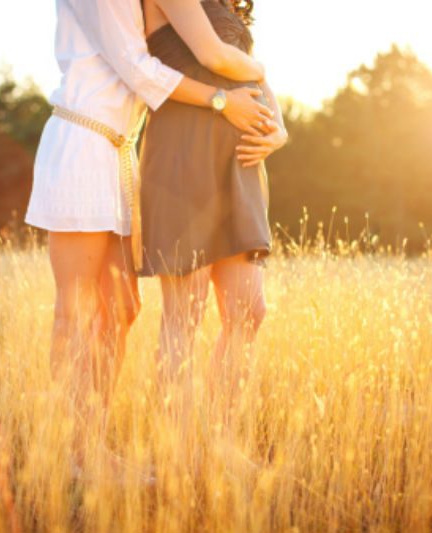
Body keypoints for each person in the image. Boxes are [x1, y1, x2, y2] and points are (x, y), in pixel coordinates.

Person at [23, 0, 274, 465]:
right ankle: (75, 455)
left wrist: (263, 108)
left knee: (122, 307)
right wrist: (224, 97)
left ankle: (95, 442)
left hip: (121, 149)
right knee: (75, 312)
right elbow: (140, 69)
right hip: (83, 139)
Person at [138, 0, 288, 428]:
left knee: (249, 311)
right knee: (185, 311)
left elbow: (249, 70)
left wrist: (278, 129)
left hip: (239, 159)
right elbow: (213, 56)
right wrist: (260, 72)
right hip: (185, 148)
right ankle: (179, 450)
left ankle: (219, 440)